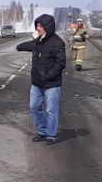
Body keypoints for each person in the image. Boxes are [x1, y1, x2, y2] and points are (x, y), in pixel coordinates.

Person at [15, 13, 66, 143]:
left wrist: (48, 76)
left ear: (47, 27)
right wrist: (19, 47)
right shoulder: (38, 41)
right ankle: (42, 131)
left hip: (52, 85)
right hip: (37, 84)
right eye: (37, 25)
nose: (38, 28)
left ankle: (50, 135)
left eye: (41, 26)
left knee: (51, 110)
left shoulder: (57, 43)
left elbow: (60, 64)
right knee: (34, 107)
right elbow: (29, 46)